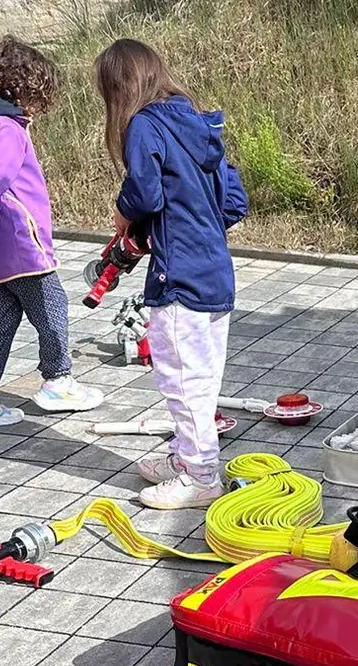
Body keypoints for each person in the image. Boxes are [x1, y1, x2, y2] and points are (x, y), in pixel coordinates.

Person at [95, 38, 249, 510]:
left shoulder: (145, 124)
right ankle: (187, 456)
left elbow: (144, 196)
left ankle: (200, 475)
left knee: (182, 381)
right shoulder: (199, 123)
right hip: (216, 273)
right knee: (202, 377)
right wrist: (191, 224)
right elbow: (234, 202)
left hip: (177, 278)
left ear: (119, 89)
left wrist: (126, 217)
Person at [0, 36, 104, 427]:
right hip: (20, 249)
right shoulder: (6, 130)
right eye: (39, 98)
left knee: (0, 321)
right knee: (52, 307)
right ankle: (58, 380)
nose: (40, 109)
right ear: (23, 91)